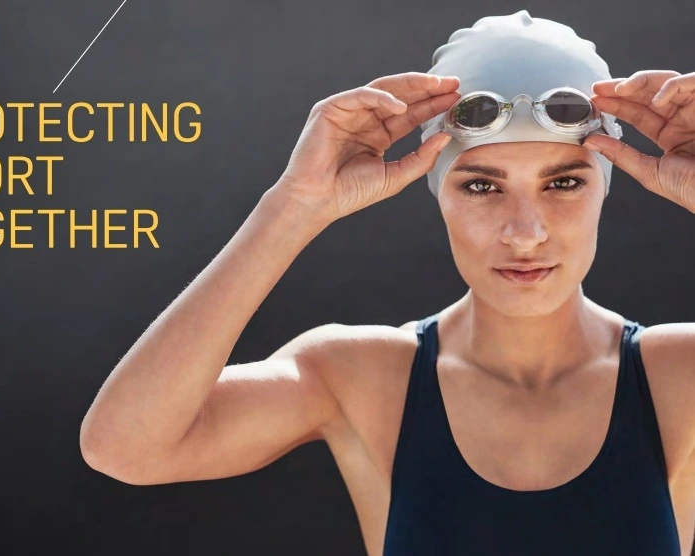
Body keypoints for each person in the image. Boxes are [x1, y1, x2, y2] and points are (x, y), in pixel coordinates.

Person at [79, 10, 695, 555]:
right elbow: (127, 448)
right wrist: (296, 205)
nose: (525, 232)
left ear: (608, 186)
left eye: (564, 183)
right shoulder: (361, 376)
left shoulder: (680, 374)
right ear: (437, 191)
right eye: (481, 185)